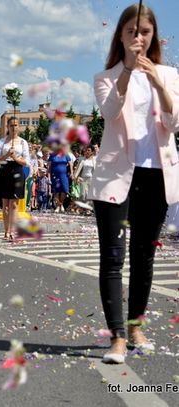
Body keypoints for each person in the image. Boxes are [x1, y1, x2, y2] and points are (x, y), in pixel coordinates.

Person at [89, 3, 179, 364]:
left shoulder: (170, 74)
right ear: (121, 36)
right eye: (130, 32)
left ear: (153, 35)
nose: (138, 38)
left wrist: (157, 82)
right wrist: (127, 69)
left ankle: (136, 325)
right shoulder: (106, 76)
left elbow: (174, 124)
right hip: (116, 173)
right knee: (113, 258)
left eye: (144, 32)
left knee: (143, 256)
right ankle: (117, 337)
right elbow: (110, 112)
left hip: (155, 173)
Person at [0, 117, 30, 241]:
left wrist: (15, 157)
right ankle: (6, 230)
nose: (14, 127)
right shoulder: (1, 142)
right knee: (5, 205)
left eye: (16, 125)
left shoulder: (23, 142)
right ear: (8, 127)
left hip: (17, 170)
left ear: (19, 127)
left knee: (14, 204)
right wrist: (7, 155)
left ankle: (12, 231)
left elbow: (26, 162)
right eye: (11, 125)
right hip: (4, 170)